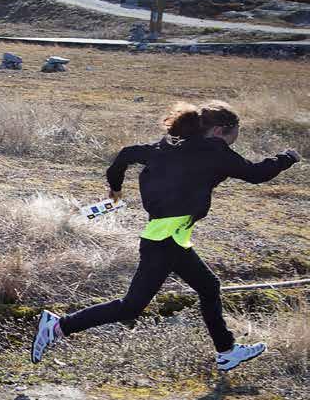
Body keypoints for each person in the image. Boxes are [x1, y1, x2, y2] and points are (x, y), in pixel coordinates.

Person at [31, 100, 301, 372]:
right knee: (130, 307)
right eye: (236, 133)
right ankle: (58, 326)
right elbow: (256, 174)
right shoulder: (215, 151)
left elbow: (125, 154)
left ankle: (226, 351)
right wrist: (287, 158)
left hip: (170, 237)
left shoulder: (166, 146)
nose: (235, 139)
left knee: (209, 287)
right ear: (220, 130)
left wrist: (115, 189)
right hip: (165, 241)